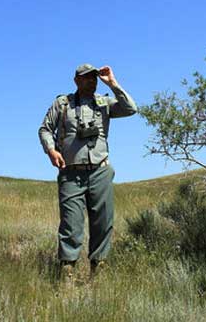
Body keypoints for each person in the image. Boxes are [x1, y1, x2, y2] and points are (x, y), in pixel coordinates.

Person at [38, 63, 137, 281]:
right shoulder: (63, 104)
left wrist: (113, 83)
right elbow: (45, 128)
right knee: (71, 223)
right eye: (86, 78)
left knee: (102, 222)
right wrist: (51, 150)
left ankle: (98, 271)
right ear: (76, 80)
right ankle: (67, 273)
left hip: (100, 171)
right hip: (71, 172)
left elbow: (131, 108)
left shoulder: (104, 103)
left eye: (94, 78)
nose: (91, 81)